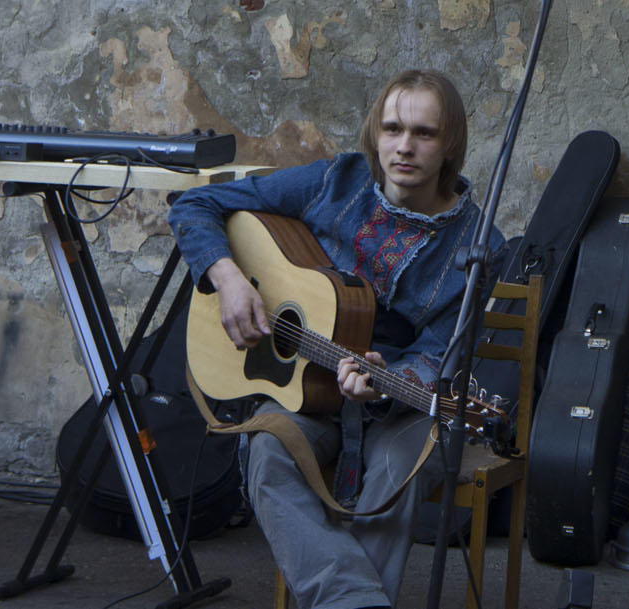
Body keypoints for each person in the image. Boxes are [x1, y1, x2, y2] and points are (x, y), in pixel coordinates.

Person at [170, 69, 503, 609]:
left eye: (425, 133)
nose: (405, 147)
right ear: (375, 133)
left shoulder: (479, 245)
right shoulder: (335, 182)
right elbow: (194, 206)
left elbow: (443, 352)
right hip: (310, 398)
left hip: (399, 409)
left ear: (451, 146)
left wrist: (391, 383)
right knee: (269, 452)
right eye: (392, 129)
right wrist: (228, 279)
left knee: (399, 474)